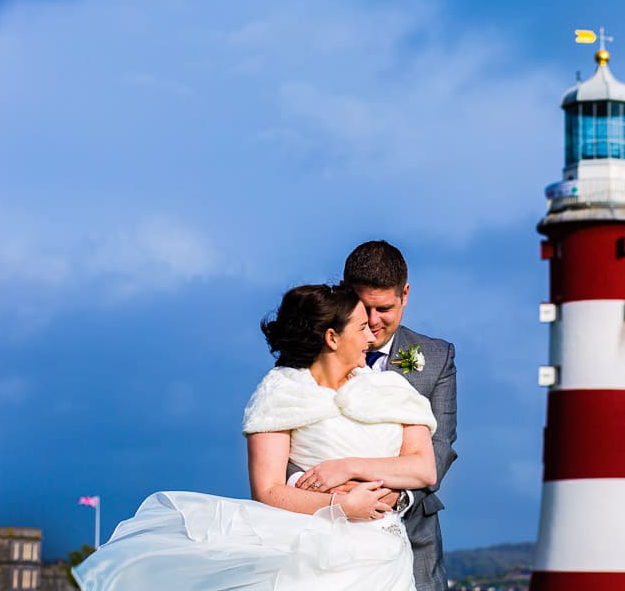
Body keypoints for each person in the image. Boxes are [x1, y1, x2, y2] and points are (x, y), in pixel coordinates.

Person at [72, 284, 438, 590]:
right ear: (332, 337)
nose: (371, 336)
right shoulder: (280, 392)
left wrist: (346, 470)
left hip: (386, 556)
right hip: (319, 557)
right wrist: (342, 507)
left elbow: (424, 469)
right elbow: (267, 490)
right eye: (360, 327)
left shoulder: (392, 389)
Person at [341, 241, 457, 591]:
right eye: (364, 308)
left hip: (413, 538)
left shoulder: (436, 357)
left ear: (404, 294)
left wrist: (392, 496)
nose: (373, 322)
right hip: (333, 537)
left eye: (385, 308)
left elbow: (441, 447)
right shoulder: (317, 352)